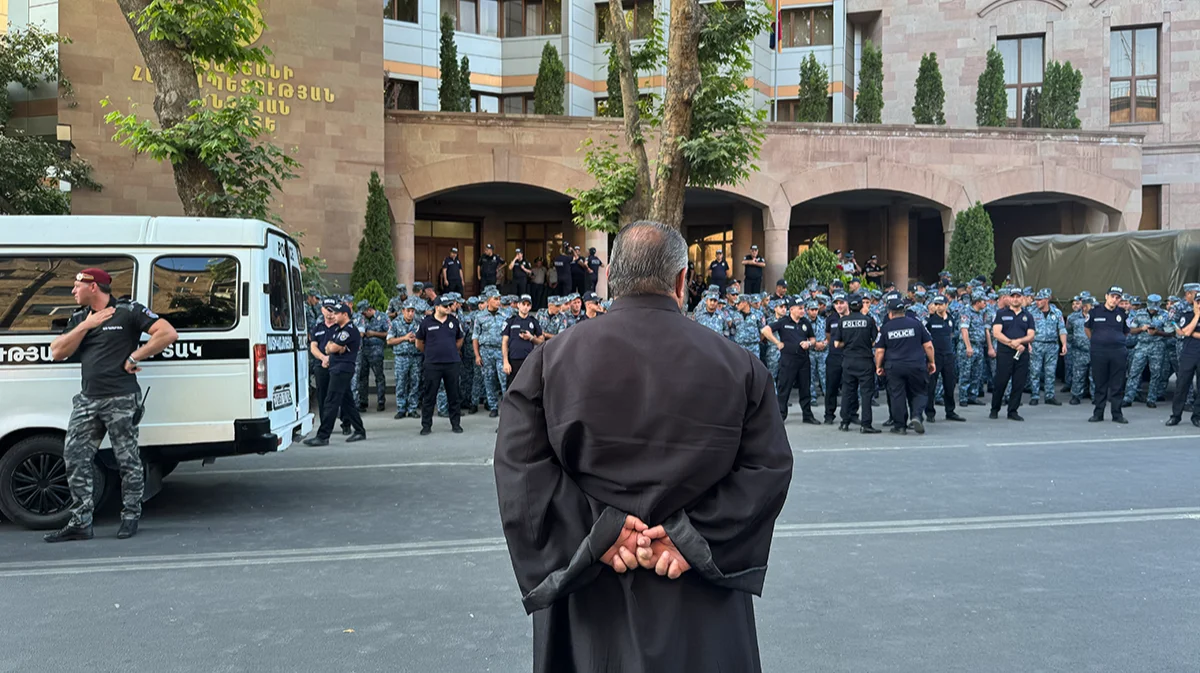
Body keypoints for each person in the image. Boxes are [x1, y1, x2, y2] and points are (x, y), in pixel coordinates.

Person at [494, 220, 793, 673]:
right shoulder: (740, 367)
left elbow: (520, 468)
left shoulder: (549, 362)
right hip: (698, 596)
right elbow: (767, 469)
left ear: (611, 277)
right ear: (681, 280)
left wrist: (599, 536)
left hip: (592, 593)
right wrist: (692, 538)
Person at [44, 268, 178, 543]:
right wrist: (86, 326)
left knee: (126, 459)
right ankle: (81, 522)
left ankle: (130, 516)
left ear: (93, 286)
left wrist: (135, 356)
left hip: (121, 398)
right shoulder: (80, 318)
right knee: (74, 457)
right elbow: (57, 351)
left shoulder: (128, 311)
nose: (73, 290)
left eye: (77, 286)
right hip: (88, 400)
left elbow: (167, 333)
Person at [304, 302, 367, 446]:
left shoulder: (348, 330)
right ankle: (359, 430)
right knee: (347, 402)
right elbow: (329, 347)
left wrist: (334, 347)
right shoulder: (340, 329)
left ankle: (323, 436)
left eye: (337, 313)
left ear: (345, 315)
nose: (334, 315)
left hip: (341, 369)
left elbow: (332, 348)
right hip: (337, 367)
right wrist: (334, 347)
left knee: (331, 401)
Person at [875, 297, 936, 435]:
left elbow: (879, 351)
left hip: (894, 366)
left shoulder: (886, 327)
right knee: (920, 391)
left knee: (897, 395)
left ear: (890, 313)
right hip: (916, 364)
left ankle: (900, 426)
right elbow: (928, 346)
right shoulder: (917, 324)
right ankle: (917, 415)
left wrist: (878, 366)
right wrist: (931, 362)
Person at [762, 298, 820, 424]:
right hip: (788, 359)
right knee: (784, 388)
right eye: (800, 308)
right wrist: (777, 342)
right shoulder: (784, 321)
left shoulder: (805, 322)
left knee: (805, 388)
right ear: (792, 309)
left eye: (803, 308)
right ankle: (780, 415)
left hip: (803, 359)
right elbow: (765, 330)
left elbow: (813, 339)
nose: (803, 311)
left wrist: (809, 343)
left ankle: (807, 415)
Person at [415, 295, 465, 435]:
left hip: (452, 363)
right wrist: (430, 352)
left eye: (449, 305)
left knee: (454, 395)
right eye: (445, 306)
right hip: (432, 364)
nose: (448, 308)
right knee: (429, 396)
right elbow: (419, 343)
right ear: (437, 307)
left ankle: (456, 424)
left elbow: (460, 338)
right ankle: (426, 425)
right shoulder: (426, 322)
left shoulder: (454, 321)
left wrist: (452, 350)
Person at [832, 294, 880, 433]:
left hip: (848, 360)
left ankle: (844, 422)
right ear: (861, 305)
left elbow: (836, 344)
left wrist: (848, 343)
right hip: (865, 360)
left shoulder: (843, 321)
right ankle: (866, 424)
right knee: (866, 394)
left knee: (847, 392)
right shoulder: (868, 320)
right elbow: (875, 341)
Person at [1086, 286, 1130, 423]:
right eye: (1112, 296)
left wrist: (1116, 340)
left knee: (1118, 384)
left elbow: (1126, 331)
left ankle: (1117, 414)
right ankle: (1098, 413)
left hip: (1118, 352)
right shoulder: (1095, 311)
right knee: (1100, 383)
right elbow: (1087, 328)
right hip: (1099, 352)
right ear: (1106, 296)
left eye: (1117, 298)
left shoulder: (1122, 313)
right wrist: (1096, 340)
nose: (1114, 300)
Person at [988, 288, 1034, 421]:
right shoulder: (1001, 313)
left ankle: (1013, 411)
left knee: (1019, 383)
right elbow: (996, 333)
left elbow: (1031, 335)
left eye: (1018, 296)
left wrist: (1019, 342)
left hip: (1021, 352)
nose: (1015, 299)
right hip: (1005, 353)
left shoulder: (1028, 316)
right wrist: (1011, 343)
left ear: (1022, 298)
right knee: (1000, 382)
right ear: (1009, 298)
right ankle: (994, 409)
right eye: (1013, 296)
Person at [923, 295, 965, 422]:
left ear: (946, 305)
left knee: (949, 384)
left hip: (948, 355)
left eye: (941, 304)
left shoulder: (951, 319)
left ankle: (950, 411)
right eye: (936, 304)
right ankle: (930, 412)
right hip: (934, 356)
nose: (938, 307)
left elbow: (953, 333)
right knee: (931, 385)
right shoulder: (930, 320)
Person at [1028, 289, 1067, 406]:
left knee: (1050, 372)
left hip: (1052, 345)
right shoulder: (1031, 312)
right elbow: (1027, 329)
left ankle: (1049, 396)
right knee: (1035, 371)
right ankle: (1034, 395)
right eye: (1036, 299)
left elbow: (1061, 329)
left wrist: (1064, 344)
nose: (1037, 302)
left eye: (1040, 300)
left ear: (1046, 300)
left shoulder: (1056, 313)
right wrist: (1028, 343)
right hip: (1036, 344)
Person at [1167, 289, 1200, 427]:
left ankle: (1197, 416)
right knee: (1182, 385)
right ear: (1194, 303)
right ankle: (1176, 415)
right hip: (1188, 354)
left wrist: (1192, 333)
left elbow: (1188, 332)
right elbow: (1184, 332)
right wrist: (1197, 316)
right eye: (1198, 302)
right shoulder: (1187, 315)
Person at [473, 289, 508, 417]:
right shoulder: (480, 316)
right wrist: (477, 355)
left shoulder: (505, 315)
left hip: (501, 350)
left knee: (504, 380)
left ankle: (508, 407)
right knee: (489, 380)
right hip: (486, 351)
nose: (498, 302)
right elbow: (475, 337)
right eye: (495, 299)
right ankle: (493, 406)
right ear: (488, 301)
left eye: (499, 299)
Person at [387, 299, 423, 419]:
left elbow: (425, 338)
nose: (410, 314)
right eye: (408, 311)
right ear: (403, 311)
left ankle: (412, 408)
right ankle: (401, 408)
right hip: (401, 357)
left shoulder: (419, 323)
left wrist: (416, 339)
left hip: (416, 357)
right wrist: (404, 338)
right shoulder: (395, 323)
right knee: (401, 383)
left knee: (415, 383)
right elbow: (389, 340)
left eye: (412, 311)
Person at [502, 294, 544, 390]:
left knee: (528, 388)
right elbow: (504, 342)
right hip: (513, 360)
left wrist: (531, 338)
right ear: (518, 305)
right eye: (523, 304)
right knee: (512, 388)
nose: (525, 307)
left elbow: (541, 341)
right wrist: (505, 362)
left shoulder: (534, 322)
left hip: (528, 360)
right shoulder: (511, 321)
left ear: (530, 307)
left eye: (528, 305)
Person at [356, 302, 389, 412]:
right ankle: (363, 401)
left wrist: (374, 333)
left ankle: (381, 401)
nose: (363, 315)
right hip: (363, 351)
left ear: (370, 310)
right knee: (362, 377)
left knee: (379, 377)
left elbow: (389, 333)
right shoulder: (361, 318)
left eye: (364, 313)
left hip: (376, 351)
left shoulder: (382, 317)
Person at [823, 293, 848, 424]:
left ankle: (849, 414)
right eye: (836, 303)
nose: (839, 306)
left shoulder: (852, 317)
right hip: (834, 356)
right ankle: (829, 414)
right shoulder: (831, 319)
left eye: (841, 303)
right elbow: (828, 335)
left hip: (848, 356)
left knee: (849, 388)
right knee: (831, 387)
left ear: (847, 303)